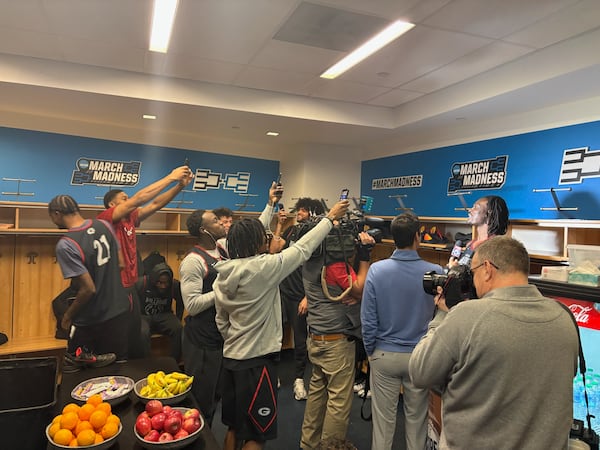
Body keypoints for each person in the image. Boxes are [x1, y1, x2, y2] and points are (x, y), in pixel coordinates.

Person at [409, 236, 579, 450]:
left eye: (472, 272)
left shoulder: (466, 317)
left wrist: (442, 315)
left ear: (487, 269)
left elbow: (420, 371)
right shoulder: (564, 317)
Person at [214, 197, 350, 450]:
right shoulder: (262, 268)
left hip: (231, 360)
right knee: (257, 435)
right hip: (256, 363)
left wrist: (236, 339)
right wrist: (330, 219)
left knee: (234, 427)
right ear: (256, 243)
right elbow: (302, 250)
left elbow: (221, 322)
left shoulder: (223, 272)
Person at [179, 182, 285, 427]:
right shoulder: (193, 262)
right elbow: (192, 305)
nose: (222, 224)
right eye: (216, 222)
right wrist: (224, 289)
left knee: (218, 397)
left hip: (222, 339)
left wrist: (270, 203)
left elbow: (251, 231)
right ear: (204, 231)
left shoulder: (222, 247)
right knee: (200, 401)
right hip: (202, 341)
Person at [361, 212, 443, 450]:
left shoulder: (377, 270)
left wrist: (371, 352)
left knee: (383, 424)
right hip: (420, 357)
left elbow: (368, 318)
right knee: (417, 422)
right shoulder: (436, 272)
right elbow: (443, 316)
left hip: (384, 354)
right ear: (418, 237)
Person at [98, 165, 193, 359]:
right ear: (111, 205)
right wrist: (170, 177)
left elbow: (156, 203)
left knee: (133, 336)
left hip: (129, 287)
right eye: (124, 199)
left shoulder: (130, 219)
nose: (129, 201)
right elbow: (141, 198)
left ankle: (137, 373)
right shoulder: (107, 218)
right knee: (119, 338)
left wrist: (179, 186)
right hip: (115, 289)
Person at [300, 221, 375, 450]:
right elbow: (360, 289)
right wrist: (364, 256)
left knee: (317, 394)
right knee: (338, 401)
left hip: (316, 338)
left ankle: (308, 444)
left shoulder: (309, 260)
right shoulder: (335, 268)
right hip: (336, 343)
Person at [49, 194, 129, 367]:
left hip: (91, 320)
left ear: (56, 214)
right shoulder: (105, 225)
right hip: (120, 312)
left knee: (80, 375)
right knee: (117, 372)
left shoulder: (67, 244)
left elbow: (88, 289)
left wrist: (67, 317)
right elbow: (121, 264)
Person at [270, 197, 324, 401]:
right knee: (275, 335)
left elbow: (321, 270)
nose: (299, 213)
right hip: (281, 292)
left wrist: (308, 297)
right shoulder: (291, 231)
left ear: (313, 212)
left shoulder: (317, 236)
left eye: (303, 210)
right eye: (298, 210)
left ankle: (299, 380)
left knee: (300, 340)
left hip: (300, 296)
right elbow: (274, 250)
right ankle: (273, 374)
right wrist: (279, 225)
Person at [136, 261, 184, 362]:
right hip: (144, 316)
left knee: (178, 328)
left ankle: (174, 362)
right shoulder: (142, 283)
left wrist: (178, 318)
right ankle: (145, 363)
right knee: (142, 332)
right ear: (153, 280)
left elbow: (180, 301)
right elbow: (132, 302)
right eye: (160, 283)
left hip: (164, 315)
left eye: (166, 283)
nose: (163, 286)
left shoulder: (173, 285)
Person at [449, 195, 509, 268]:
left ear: (489, 213)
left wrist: (455, 270)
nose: (470, 210)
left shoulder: (494, 247)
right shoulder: (471, 244)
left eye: (476, 207)